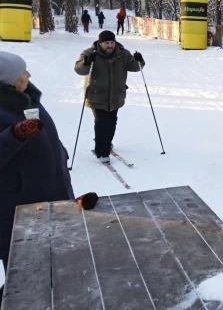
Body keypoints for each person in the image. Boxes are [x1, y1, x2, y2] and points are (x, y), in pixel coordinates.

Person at [0, 52, 75, 276]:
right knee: (24, 272)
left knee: (55, 264)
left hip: (50, 195)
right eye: (23, 72)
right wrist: (14, 135)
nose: (29, 74)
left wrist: (59, 153)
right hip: (17, 208)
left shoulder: (26, 100)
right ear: (10, 80)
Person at [74, 30, 144, 162]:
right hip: (96, 95)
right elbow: (79, 70)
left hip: (116, 95)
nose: (110, 45)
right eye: (107, 43)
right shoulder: (89, 53)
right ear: (100, 43)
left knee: (112, 122)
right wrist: (87, 63)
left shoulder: (123, 54)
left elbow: (135, 67)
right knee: (101, 123)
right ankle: (102, 152)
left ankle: (106, 142)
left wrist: (140, 61)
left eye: (112, 42)